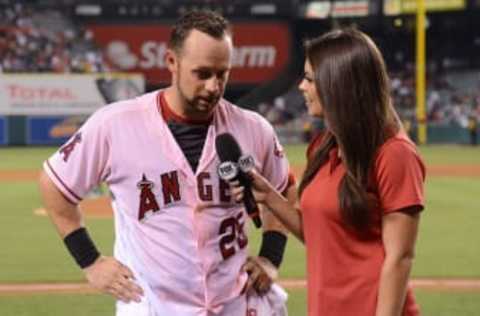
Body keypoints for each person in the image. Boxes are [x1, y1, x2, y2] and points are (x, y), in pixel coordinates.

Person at [39, 10, 296, 316]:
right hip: (154, 306)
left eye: (222, 73)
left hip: (236, 304)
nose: (214, 86)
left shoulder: (254, 128)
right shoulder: (115, 124)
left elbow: (284, 192)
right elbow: (53, 185)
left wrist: (270, 256)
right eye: (202, 73)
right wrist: (90, 261)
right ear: (172, 63)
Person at [230, 29, 426, 316]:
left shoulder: (394, 153)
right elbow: (323, 235)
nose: (301, 87)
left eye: (309, 79)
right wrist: (268, 197)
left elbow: (400, 258)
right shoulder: (322, 147)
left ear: (338, 84)